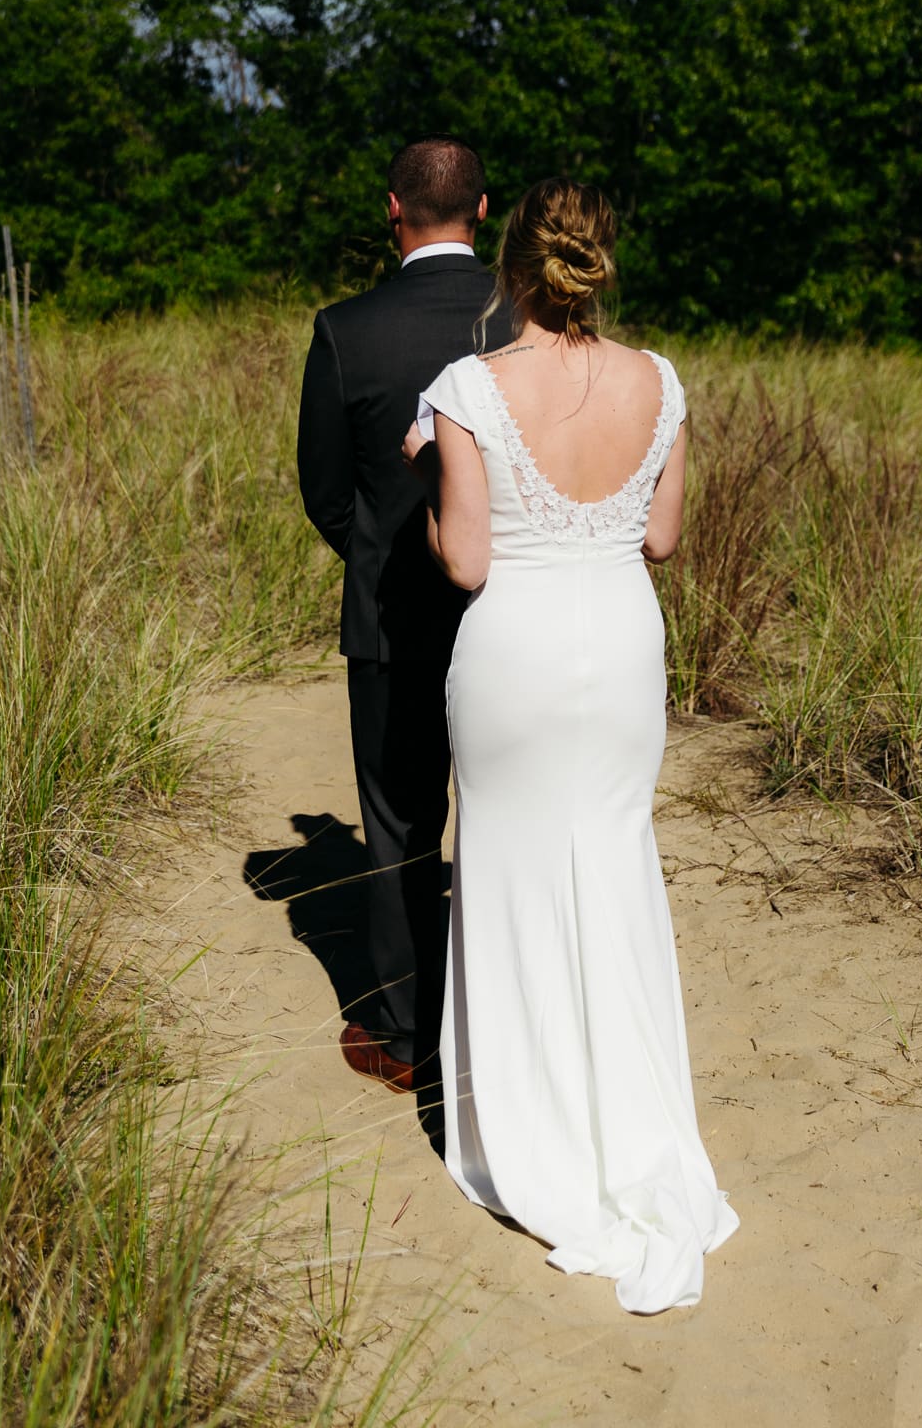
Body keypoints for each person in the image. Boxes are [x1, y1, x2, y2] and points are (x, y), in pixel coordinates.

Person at [404, 177, 739, 1313]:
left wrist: (427, 474)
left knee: (508, 872)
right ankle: (633, 1120)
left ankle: (537, 1128)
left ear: (512, 265)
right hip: (620, 652)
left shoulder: (465, 387)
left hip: (516, 653)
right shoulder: (663, 381)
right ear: (601, 260)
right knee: (611, 863)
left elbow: (466, 562)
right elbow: (661, 536)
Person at [297, 136, 501, 1093]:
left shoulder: (345, 329)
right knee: (508, 816)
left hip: (391, 617)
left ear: (392, 209)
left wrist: (387, 556)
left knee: (397, 825)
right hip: (512, 614)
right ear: (484, 209)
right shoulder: (528, 322)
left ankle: (403, 1028)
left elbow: (326, 494)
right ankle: (502, 1019)